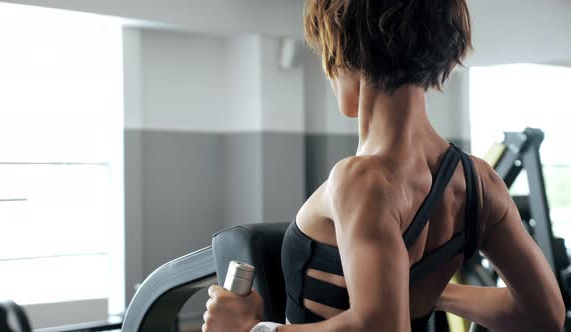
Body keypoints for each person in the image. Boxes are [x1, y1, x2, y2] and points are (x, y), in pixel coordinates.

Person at [203, 0, 566, 331]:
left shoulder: (360, 179)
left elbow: (382, 327)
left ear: (347, 52)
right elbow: (543, 313)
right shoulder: (480, 182)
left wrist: (252, 330)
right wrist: (423, 289)